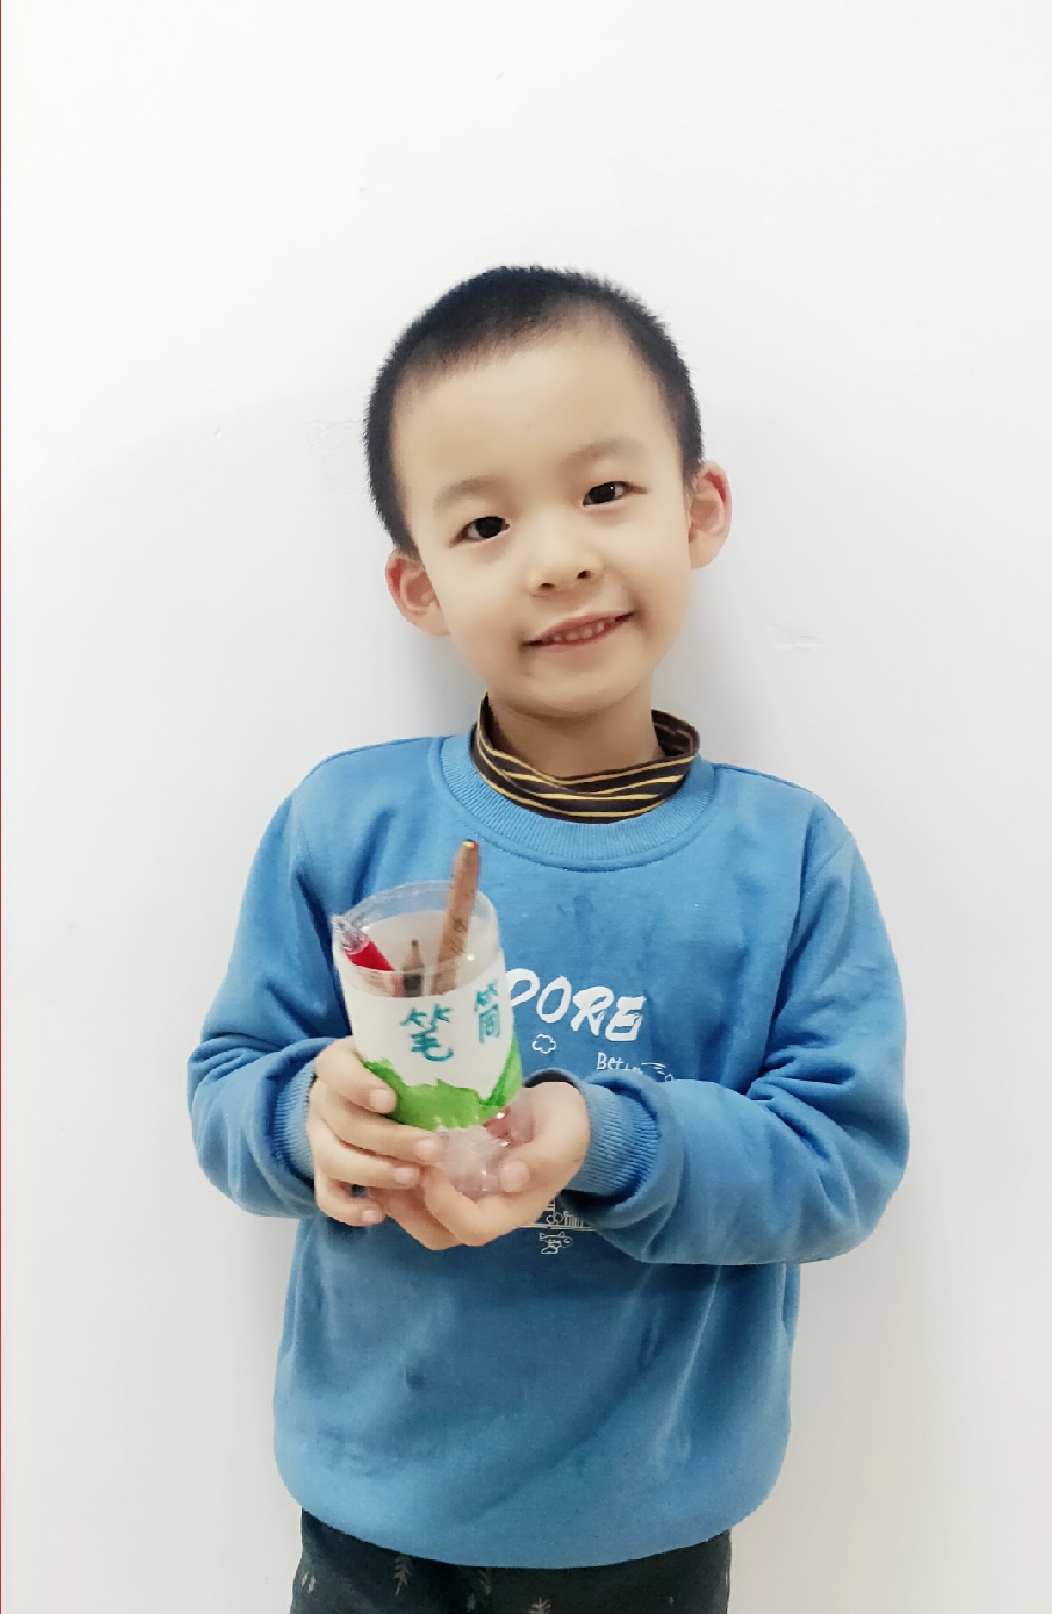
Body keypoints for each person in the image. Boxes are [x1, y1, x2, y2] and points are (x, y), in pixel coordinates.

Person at [188, 266, 908, 1614]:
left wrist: (606, 1138)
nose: (559, 556)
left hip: (646, 1533)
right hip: (373, 1517)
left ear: (700, 509)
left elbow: (840, 1164)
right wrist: (305, 1119)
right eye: (484, 522)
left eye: (606, 490)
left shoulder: (788, 858)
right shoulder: (344, 823)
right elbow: (227, 1087)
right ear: (418, 585)